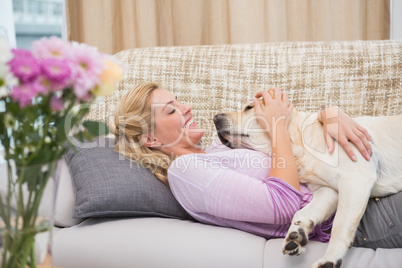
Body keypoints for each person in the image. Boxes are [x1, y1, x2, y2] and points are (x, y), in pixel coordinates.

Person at [112, 82, 402, 249]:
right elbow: (283, 204)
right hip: (363, 214)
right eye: (171, 110)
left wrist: (331, 114)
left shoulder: (219, 147)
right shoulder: (186, 172)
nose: (186, 107)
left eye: (178, 100)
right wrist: (277, 124)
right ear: (150, 138)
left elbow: (300, 136)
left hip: (358, 177)